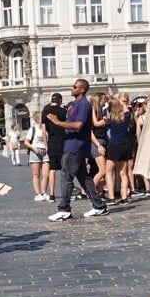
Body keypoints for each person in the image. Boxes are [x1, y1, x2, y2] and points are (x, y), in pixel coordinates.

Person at [46, 79, 109, 221]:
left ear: (82, 90)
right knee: (84, 178)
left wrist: (58, 122)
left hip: (76, 146)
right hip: (70, 144)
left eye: (75, 86)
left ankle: (64, 209)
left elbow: (79, 125)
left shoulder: (84, 105)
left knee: (66, 176)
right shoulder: (74, 104)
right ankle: (99, 206)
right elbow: (70, 123)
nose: (72, 88)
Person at [40, 92, 67, 200]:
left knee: (52, 169)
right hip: (63, 141)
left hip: (51, 142)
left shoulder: (45, 111)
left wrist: (46, 145)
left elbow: (43, 131)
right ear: (60, 100)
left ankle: (51, 194)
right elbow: (67, 126)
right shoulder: (63, 111)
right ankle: (66, 192)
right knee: (65, 169)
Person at [24, 115, 48, 201]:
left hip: (45, 152)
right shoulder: (33, 129)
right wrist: (33, 148)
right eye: (42, 118)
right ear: (38, 119)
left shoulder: (46, 128)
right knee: (36, 174)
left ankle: (43, 193)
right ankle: (37, 194)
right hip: (35, 151)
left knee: (46, 175)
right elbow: (26, 142)